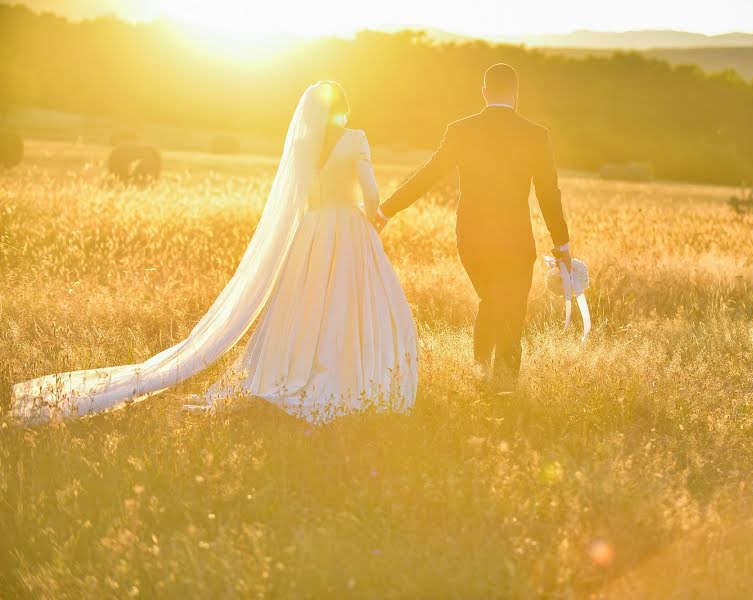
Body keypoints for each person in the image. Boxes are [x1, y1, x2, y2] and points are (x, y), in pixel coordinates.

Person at [12, 81, 417, 424]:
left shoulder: (302, 145)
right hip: (347, 231)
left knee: (304, 308)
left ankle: (296, 369)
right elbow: (371, 195)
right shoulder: (356, 139)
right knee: (350, 307)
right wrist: (376, 219)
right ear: (343, 110)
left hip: (310, 235)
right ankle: (344, 373)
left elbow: (296, 199)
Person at [374, 64, 570, 390]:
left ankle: (481, 375)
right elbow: (549, 192)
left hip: (472, 237)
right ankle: (504, 388)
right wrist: (561, 243)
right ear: (516, 94)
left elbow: (428, 175)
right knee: (509, 310)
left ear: (484, 92)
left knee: (491, 301)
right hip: (515, 240)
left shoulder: (461, 130)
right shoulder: (536, 134)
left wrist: (386, 210)